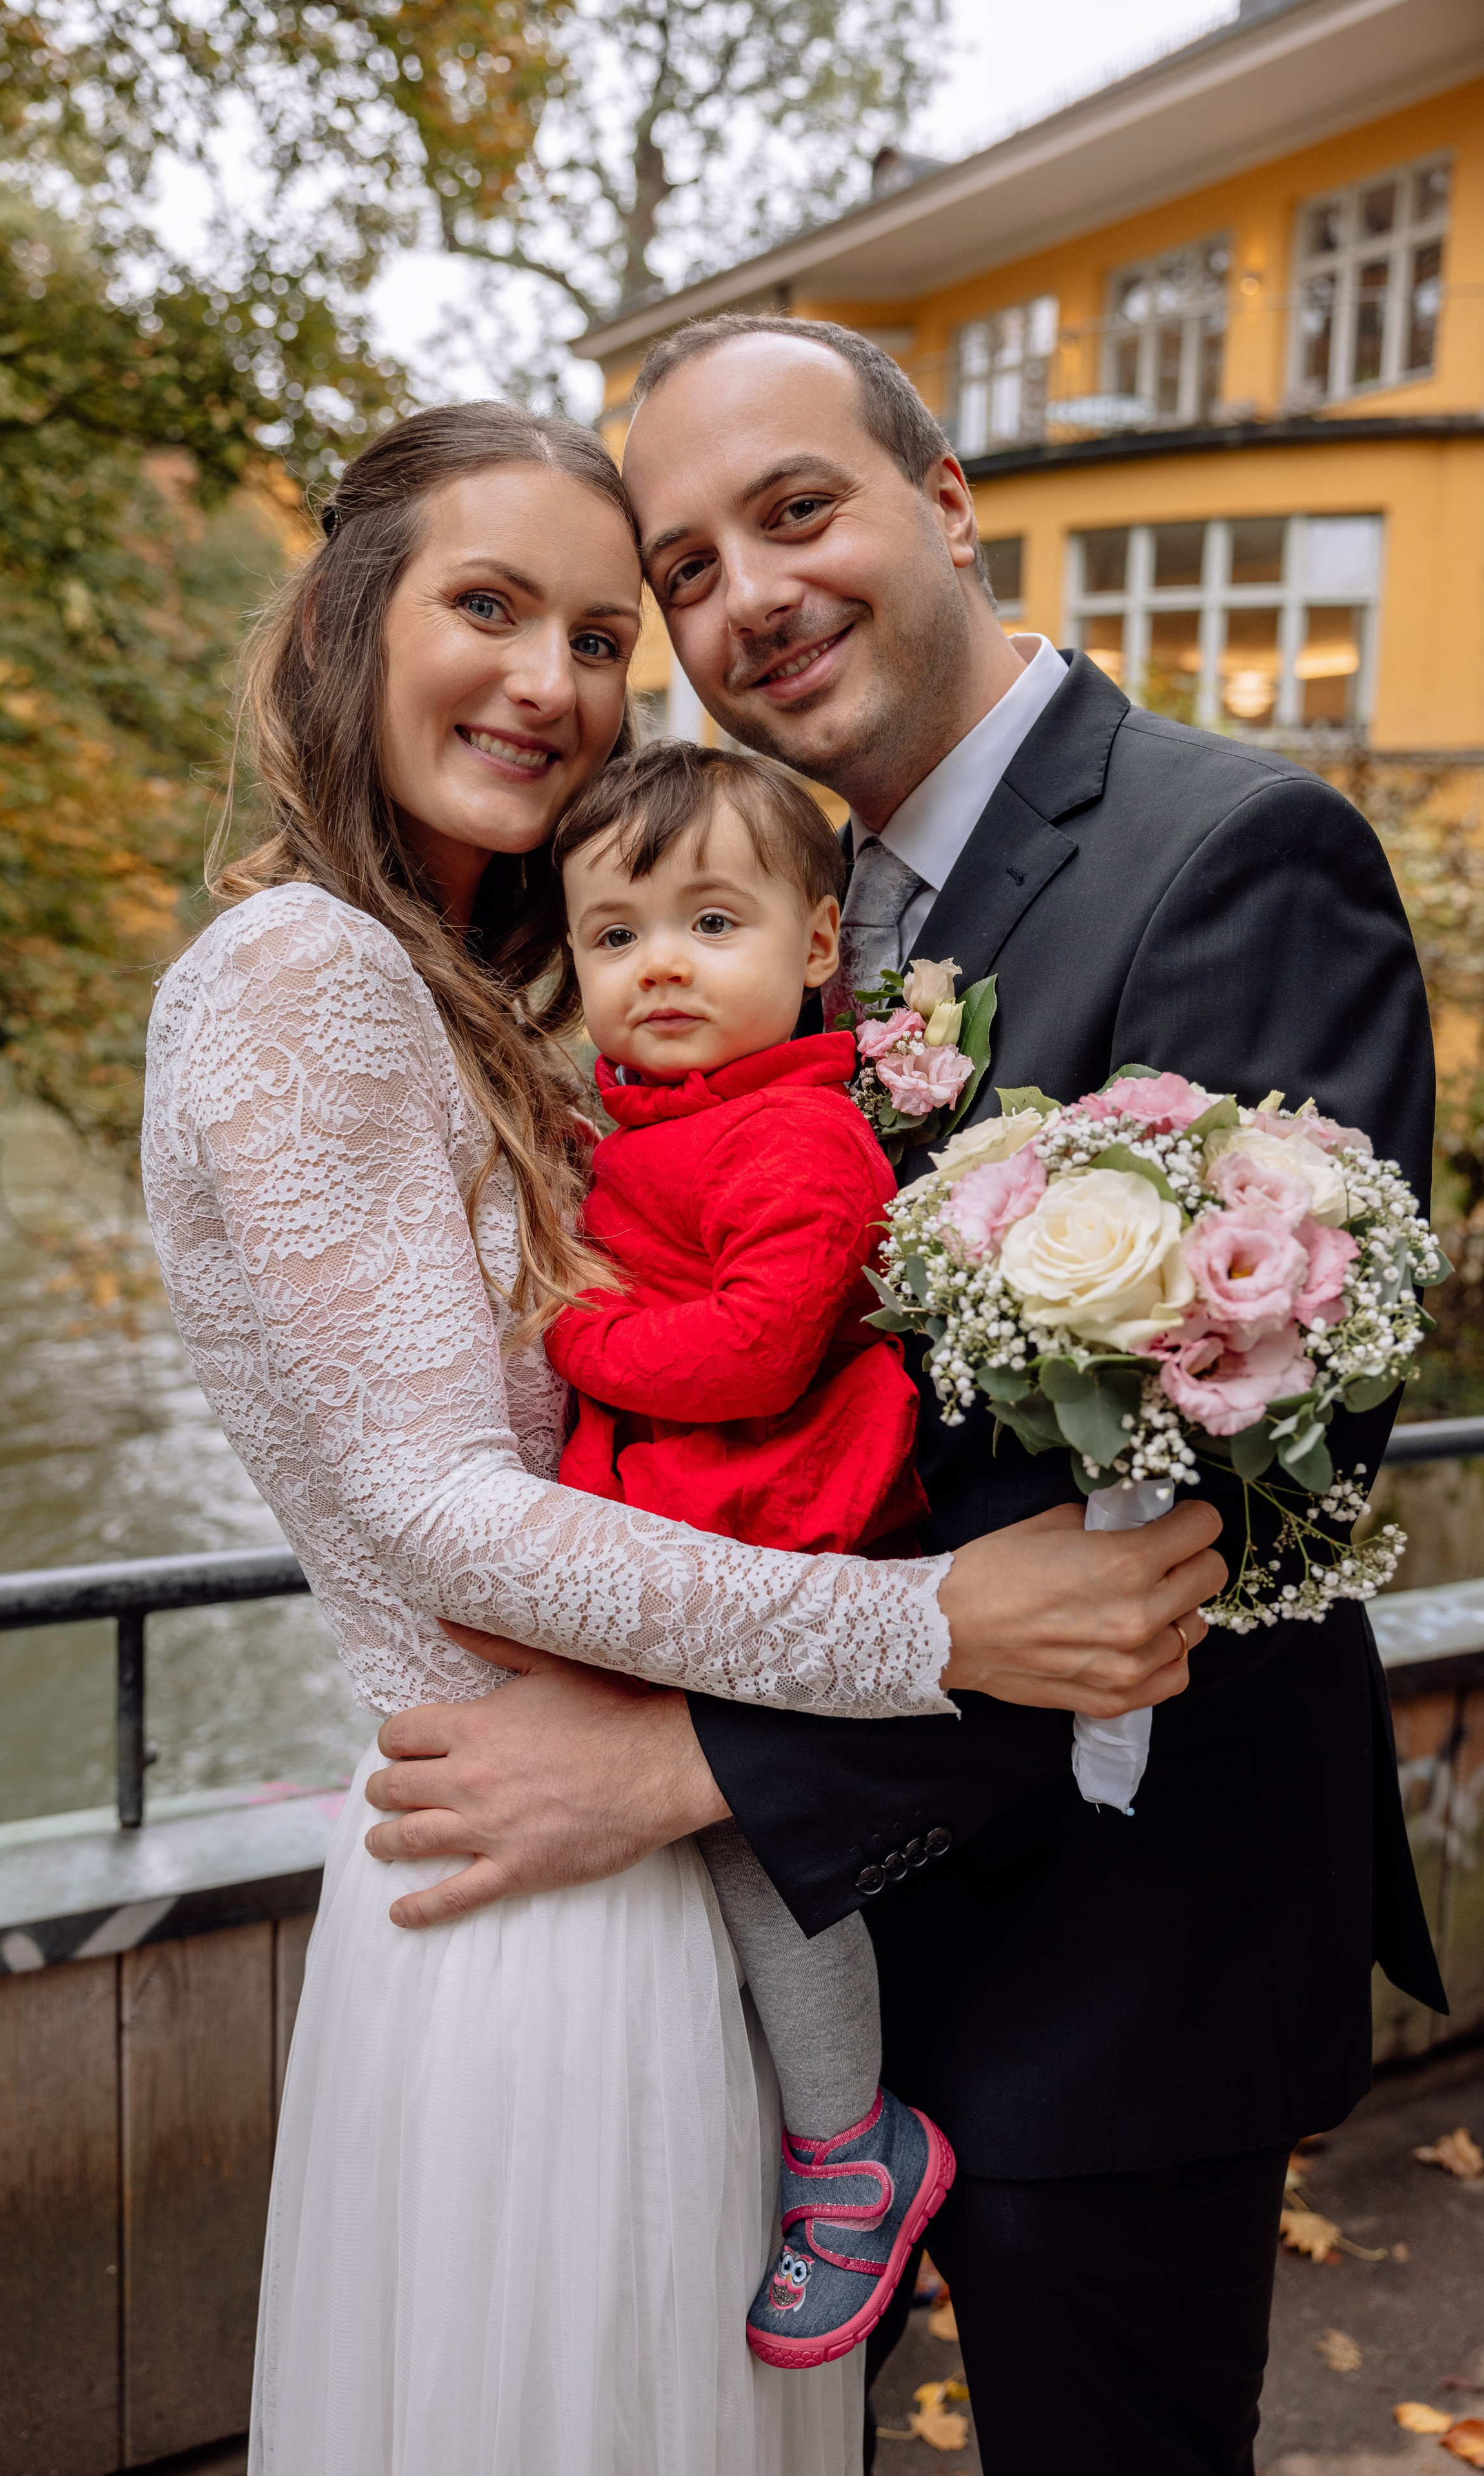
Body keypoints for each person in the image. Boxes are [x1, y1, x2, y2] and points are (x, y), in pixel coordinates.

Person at [361, 322, 1447, 2476]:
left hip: (1117, 1961)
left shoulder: (1231, 848)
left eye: (796, 511)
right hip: (795, 1979)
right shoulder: (768, 908)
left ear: (947, 502)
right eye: (683, 567)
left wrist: (690, 1760)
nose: (744, 598)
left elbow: (1223, 1510)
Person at [140, 399, 1222, 2476]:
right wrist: (935, 1627)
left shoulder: (452, 991)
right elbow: (437, 1508)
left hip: (605, 1848)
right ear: (353, 621)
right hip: (544, 1890)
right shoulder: (309, 974)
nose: (554, 681)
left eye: (602, 629)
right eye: (488, 606)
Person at [548, 738, 955, 2367]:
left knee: (757, 1860)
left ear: (812, 946)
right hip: (695, 1517)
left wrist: (573, 1333)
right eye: (614, 933)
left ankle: (854, 2145)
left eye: (710, 923)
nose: (658, 963)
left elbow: (754, 1352)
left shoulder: (788, 1132)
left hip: (772, 1519)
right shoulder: (662, 1111)